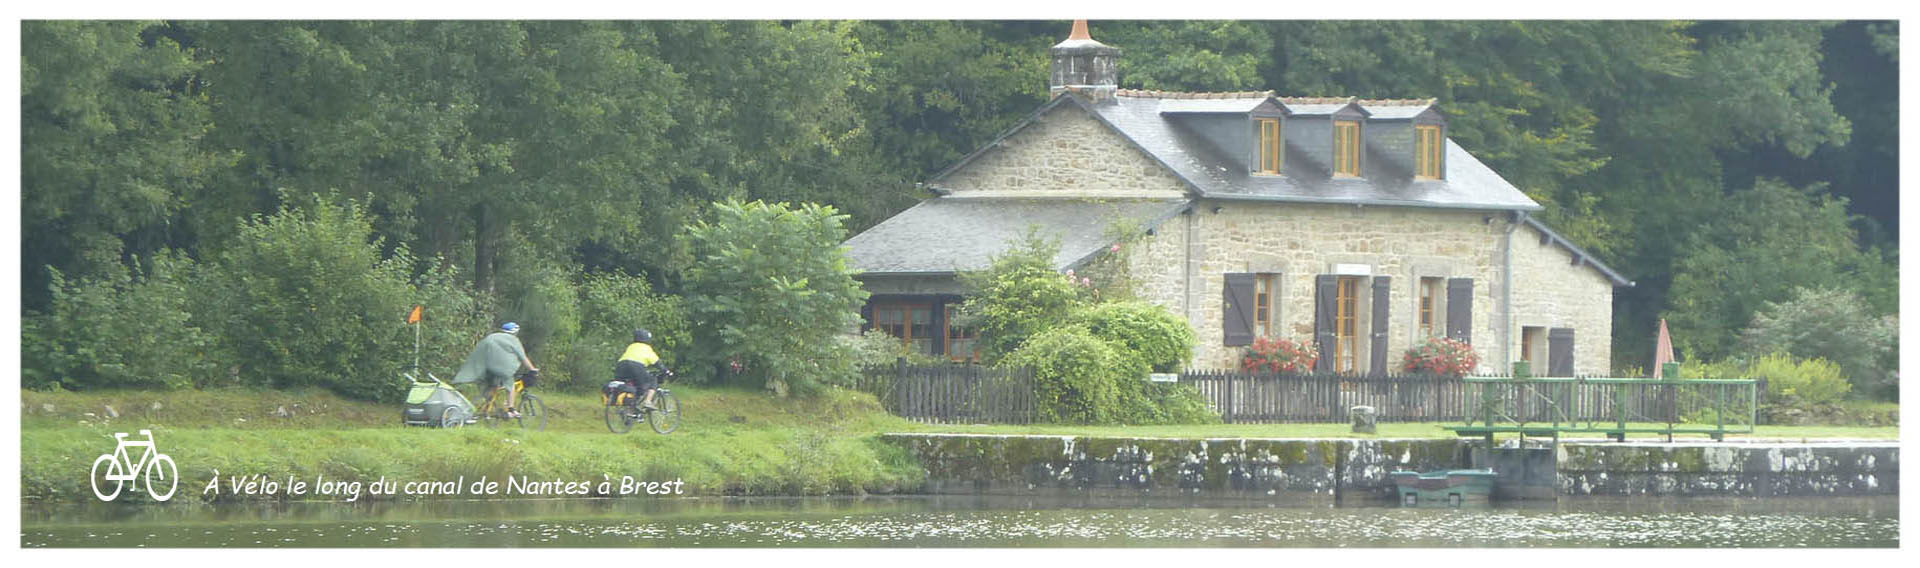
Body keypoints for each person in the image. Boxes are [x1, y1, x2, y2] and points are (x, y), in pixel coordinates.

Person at [454, 322, 538, 419]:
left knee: (493, 386)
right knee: (510, 386)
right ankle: (511, 409)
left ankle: (486, 409)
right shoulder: (514, 340)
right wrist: (532, 369)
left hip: (487, 368)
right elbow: (523, 358)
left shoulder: (492, 337)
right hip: (502, 370)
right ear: (515, 332)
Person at [615, 328, 670, 411]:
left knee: (634, 388)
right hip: (636, 366)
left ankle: (629, 412)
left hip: (621, 366)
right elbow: (656, 362)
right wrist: (666, 370)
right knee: (652, 380)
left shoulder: (631, 346)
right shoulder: (646, 348)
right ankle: (647, 401)